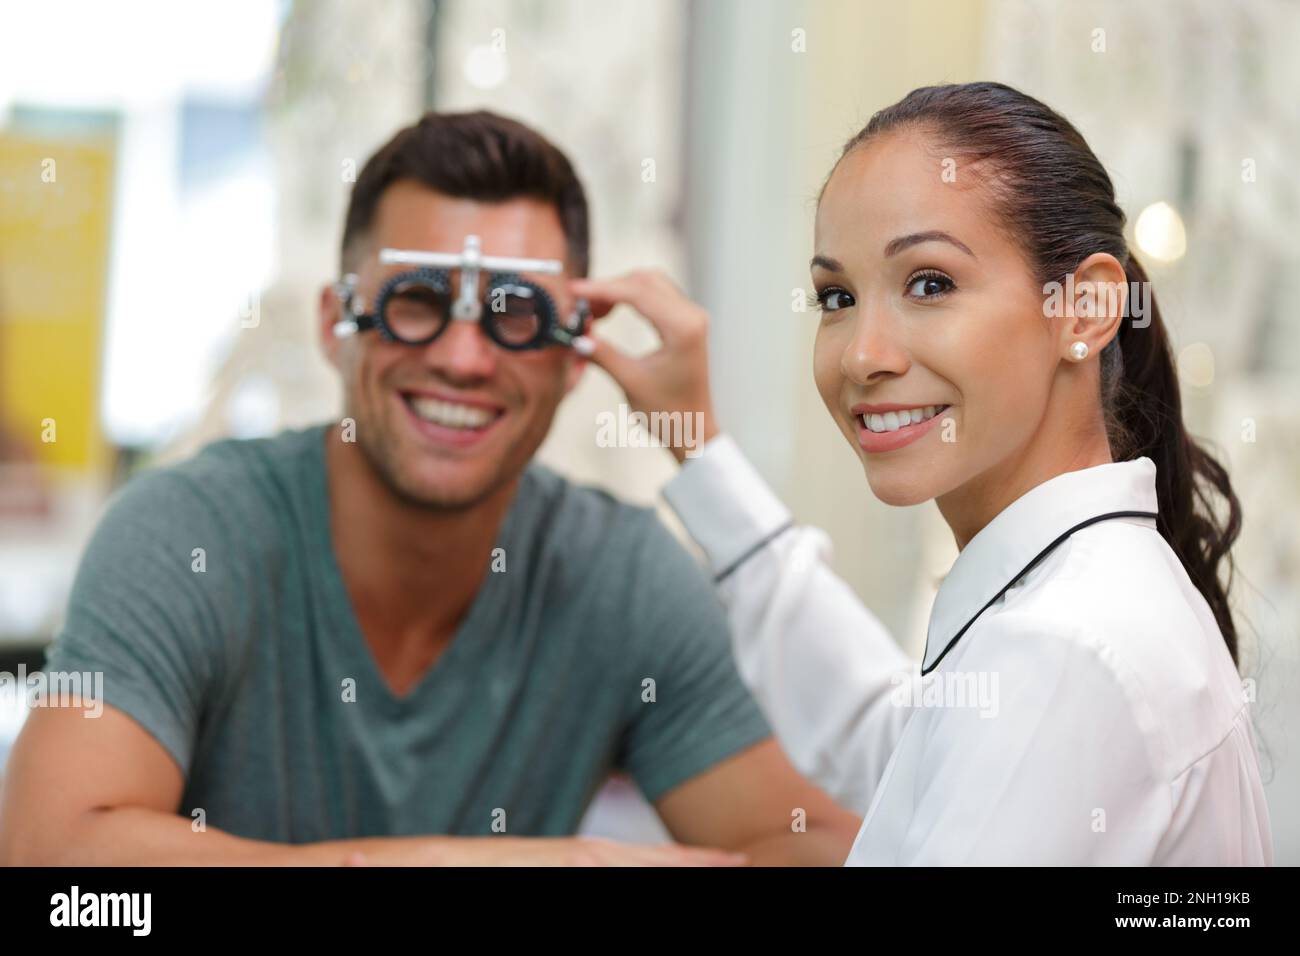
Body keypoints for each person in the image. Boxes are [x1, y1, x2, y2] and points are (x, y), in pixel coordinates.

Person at [0, 111, 859, 866]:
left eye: (516, 311)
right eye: (416, 299)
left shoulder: (617, 576)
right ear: (335, 327)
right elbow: (56, 865)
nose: (461, 356)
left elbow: (815, 845)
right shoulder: (184, 536)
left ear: (573, 355)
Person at [574, 82, 1273, 865]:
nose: (865, 354)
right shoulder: (1064, 614)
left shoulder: (1063, 650)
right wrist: (694, 443)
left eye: (930, 283)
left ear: (1084, 309)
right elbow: (890, 740)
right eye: (837, 296)